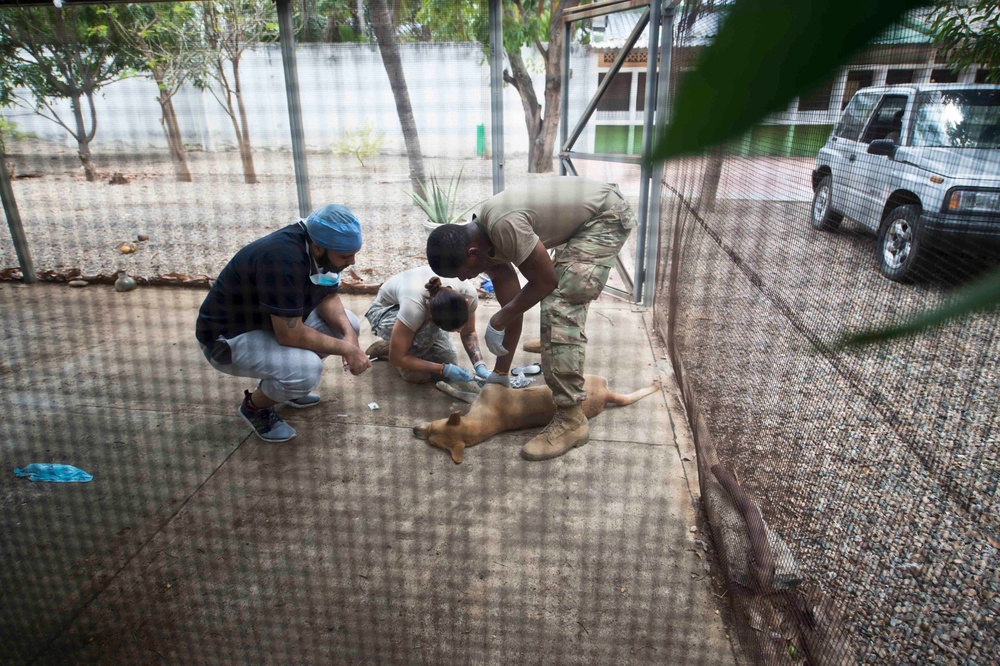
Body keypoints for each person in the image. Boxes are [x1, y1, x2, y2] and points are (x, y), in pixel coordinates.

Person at [425, 176, 636, 462]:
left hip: (605, 217)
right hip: (587, 217)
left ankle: (572, 419)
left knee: (560, 306)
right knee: (548, 299)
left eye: (462, 272)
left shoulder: (503, 227)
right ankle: (556, 346)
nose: (464, 279)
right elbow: (513, 304)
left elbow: (545, 281)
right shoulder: (483, 242)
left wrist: (498, 319)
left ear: (472, 253)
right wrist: (499, 376)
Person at [195, 204, 372, 443]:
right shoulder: (283, 259)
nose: (351, 261)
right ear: (319, 248)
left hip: (268, 325)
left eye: (353, 253)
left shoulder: (317, 242)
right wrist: (349, 349)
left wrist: (350, 338)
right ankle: (255, 407)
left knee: (349, 325)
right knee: (307, 369)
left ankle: (286, 389)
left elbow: (327, 295)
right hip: (226, 339)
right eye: (344, 256)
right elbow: (290, 335)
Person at [364, 265, 486, 388]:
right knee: (426, 334)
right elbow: (396, 358)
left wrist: (480, 365)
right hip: (385, 310)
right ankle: (395, 347)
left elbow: (469, 333)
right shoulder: (414, 307)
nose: (460, 331)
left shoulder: (468, 294)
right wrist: (443, 369)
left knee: (448, 360)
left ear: (466, 303)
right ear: (431, 315)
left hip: (425, 314)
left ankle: (402, 344)